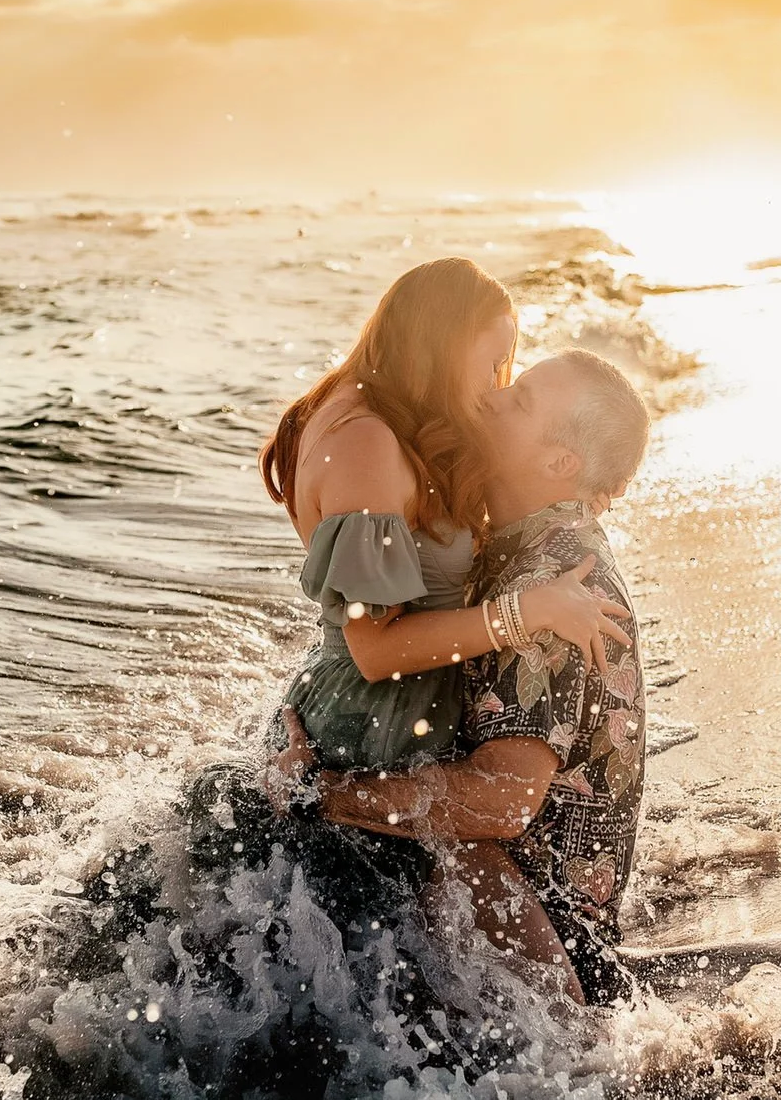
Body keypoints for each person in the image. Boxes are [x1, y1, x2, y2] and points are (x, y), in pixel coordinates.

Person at [276, 350, 653, 1006]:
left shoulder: (551, 586)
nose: (496, 397)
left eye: (523, 400)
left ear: (561, 463)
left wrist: (323, 791)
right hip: (501, 915)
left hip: (540, 965)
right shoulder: (514, 544)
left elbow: (499, 803)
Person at [259, 258, 632, 777]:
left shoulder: (381, 417)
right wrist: (530, 611)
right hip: (374, 726)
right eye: (491, 363)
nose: (493, 385)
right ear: (443, 348)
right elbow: (376, 650)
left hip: (391, 717)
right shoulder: (364, 442)